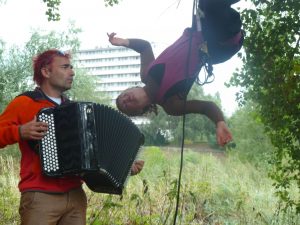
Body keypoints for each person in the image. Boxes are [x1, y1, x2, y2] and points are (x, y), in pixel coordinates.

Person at [0, 49, 144, 225]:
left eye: (72, 67)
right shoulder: (25, 102)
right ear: (46, 72)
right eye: (65, 67)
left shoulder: (77, 111)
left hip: (75, 196)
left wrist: (124, 167)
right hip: (40, 196)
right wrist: (20, 131)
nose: (72, 72)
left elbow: (91, 157)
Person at [107, 1, 243, 147]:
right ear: (139, 110)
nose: (126, 100)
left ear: (129, 88)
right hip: (218, 46)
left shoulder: (146, 74)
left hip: (200, 30)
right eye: (126, 106)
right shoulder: (171, 105)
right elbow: (206, 107)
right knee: (211, 5)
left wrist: (123, 42)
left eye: (123, 96)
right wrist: (219, 122)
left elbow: (144, 47)